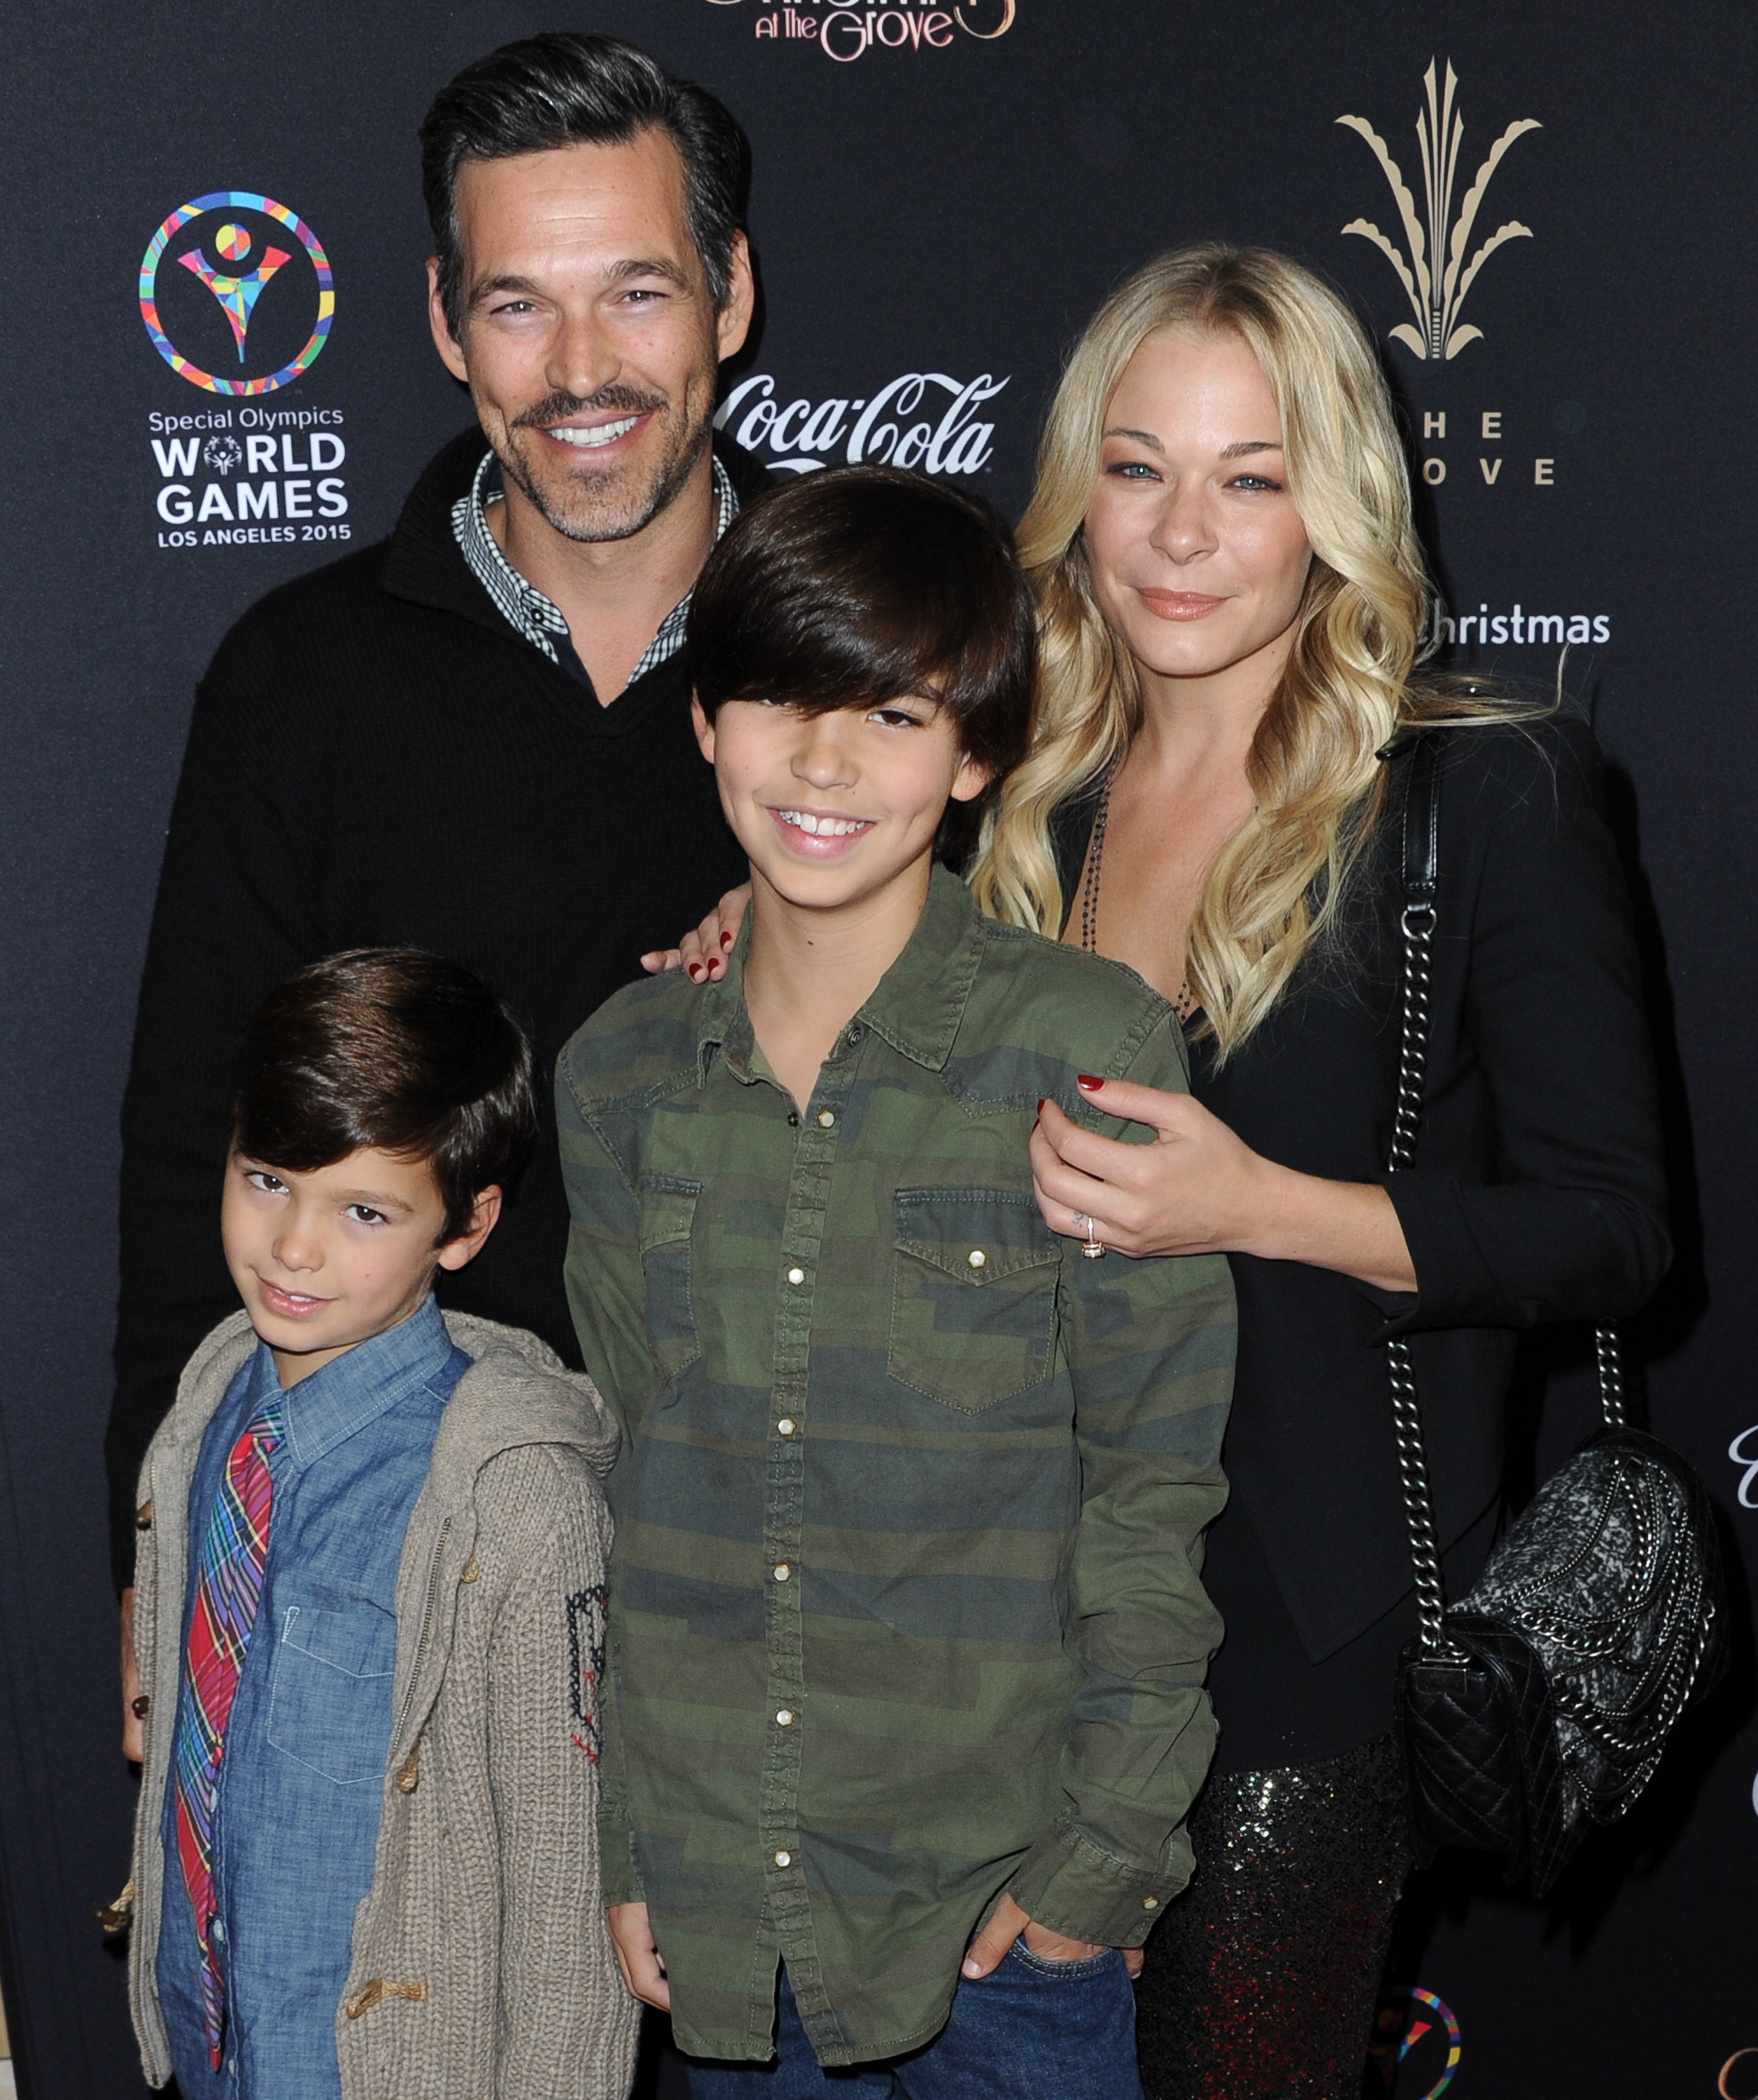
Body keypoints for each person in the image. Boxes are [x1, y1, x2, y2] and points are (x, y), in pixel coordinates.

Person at [658, 246, 1671, 2098]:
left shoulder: (1485, 792)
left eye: (1251, 475)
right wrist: (781, 924)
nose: (1183, 534)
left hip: (1302, 1633)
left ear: (1336, 503)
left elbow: (1612, 1231)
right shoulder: (1021, 778)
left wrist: (1254, 1206)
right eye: (1138, 468)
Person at [110, 29, 765, 1759]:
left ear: (729, 296)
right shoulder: (302, 679)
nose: (578, 369)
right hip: (393, 1570)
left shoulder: (892, 662)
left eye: (635, 293)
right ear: (437, 320)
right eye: (515, 304)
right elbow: (198, 1129)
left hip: (812, 1564)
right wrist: (160, 1534)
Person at [556, 467, 1236, 2096]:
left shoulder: (1083, 1053)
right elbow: (636, 1493)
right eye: (779, 701)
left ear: (976, 754)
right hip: (729, 1923)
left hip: (1000, 1920)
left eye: (892, 716)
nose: (824, 763)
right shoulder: (621, 1074)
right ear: (704, 720)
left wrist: (1100, 1860)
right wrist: (636, 1837)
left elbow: (1149, 1491)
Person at [124, 948, 638, 2100]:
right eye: (267, 1180)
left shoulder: (513, 1496)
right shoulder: (207, 1406)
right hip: (216, 2053)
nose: (294, 1247)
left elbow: (568, 1905)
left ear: (465, 1226)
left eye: (364, 1209)